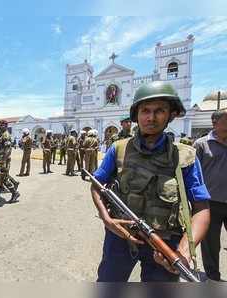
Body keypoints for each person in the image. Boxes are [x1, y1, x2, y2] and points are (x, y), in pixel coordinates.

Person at [90, 81, 210, 282]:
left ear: (171, 114)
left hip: (165, 243)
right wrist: (106, 218)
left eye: (160, 111)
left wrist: (183, 251)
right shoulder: (118, 149)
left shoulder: (184, 156)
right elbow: (96, 184)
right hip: (121, 238)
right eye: (145, 110)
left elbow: (201, 207)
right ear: (136, 115)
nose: (151, 117)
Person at [194, 109, 227, 281]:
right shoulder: (201, 144)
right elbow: (192, 174)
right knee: (211, 244)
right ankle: (214, 278)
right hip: (210, 202)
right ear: (215, 123)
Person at [0, 120, 20, 203]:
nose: (0, 126)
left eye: (3, 125)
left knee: (3, 178)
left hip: (3, 160)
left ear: (6, 126)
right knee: (0, 178)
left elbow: (8, 150)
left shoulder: (6, 135)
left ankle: (15, 193)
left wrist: (4, 162)